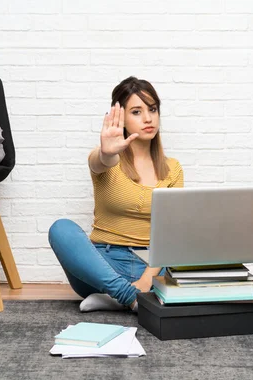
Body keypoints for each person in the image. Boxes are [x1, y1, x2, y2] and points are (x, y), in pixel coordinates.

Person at [48, 76, 184, 312]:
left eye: (152, 109)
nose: (148, 118)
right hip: (103, 264)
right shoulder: (106, 159)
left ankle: (115, 299)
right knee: (60, 229)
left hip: (152, 266)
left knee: (198, 256)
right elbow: (99, 161)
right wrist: (107, 152)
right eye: (136, 112)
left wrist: (146, 279)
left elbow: (171, 232)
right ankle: (130, 297)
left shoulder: (173, 168)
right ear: (121, 117)